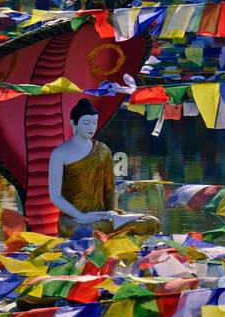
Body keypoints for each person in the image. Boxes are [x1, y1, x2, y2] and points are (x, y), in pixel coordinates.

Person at [46, 98, 160, 237]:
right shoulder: (59, 153)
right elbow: (55, 196)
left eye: (94, 123)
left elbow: (109, 188)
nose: (91, 127)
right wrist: (80, 215)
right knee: (82, 231)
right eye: (86, 123)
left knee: (152, 222)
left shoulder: (103, 150)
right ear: (73, 123)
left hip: (102, 216)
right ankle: (116, 234)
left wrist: (112, 213)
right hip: (74, 220)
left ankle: (113, 232)